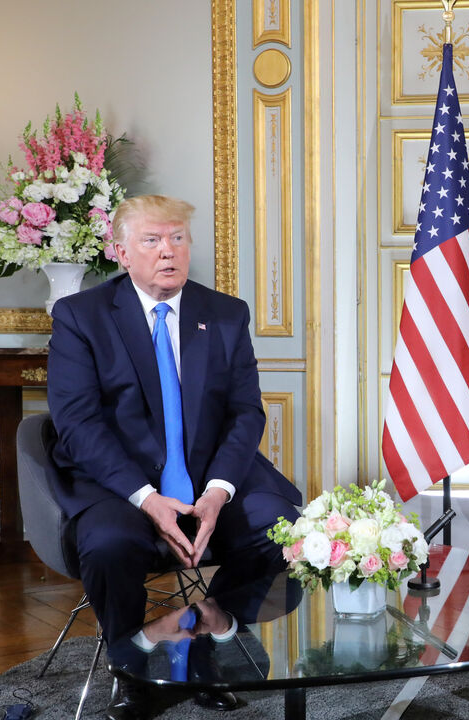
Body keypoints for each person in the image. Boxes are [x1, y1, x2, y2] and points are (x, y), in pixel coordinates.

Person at [47, 195, 302, 720]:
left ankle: (211, 643)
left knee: (280, 525)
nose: (169, 251)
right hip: (123, 482)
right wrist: (145, 499)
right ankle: (131, 671)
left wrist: (217, 492)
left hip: (211, 473)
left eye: (178, 239)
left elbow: (245, 413)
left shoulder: (225, 313)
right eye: (152, 240)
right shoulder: (81, 316)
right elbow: (78, 422)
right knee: (111, 544)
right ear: (121, 252)